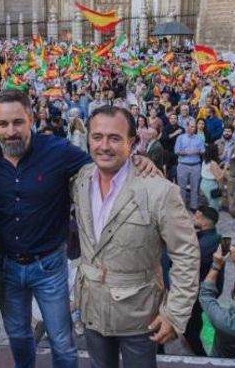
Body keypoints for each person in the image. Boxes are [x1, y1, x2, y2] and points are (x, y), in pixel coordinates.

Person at [0, 90, 157, 368]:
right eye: (3, 124)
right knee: (17, 334)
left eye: (18, 122)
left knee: (62, 342)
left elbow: (104, 163)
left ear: (32, 119)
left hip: (49, 267)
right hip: (7, 268)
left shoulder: (58, 151)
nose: (11, 131)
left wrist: (135, 160)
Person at [71, 106, 199, 368]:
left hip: (140, 316)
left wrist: (174, 314)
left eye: (115, 138)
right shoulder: (80, 179)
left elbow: (186, 254)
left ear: (132, 142)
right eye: (97, 137)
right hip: (92, 307)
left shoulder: (160, 191)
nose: (104, 146)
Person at [181, 206, 223, 356]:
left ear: (204, 223)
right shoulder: (218, 237)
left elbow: (180, 264)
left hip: (199, 291)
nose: (194, 219)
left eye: (197, 217)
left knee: (189, 328)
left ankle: (201, 357)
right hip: (211, 286)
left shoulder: (202, 246)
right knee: (195, 317)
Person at [216, 126, 235, 218]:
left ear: (232, 132)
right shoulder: (217, 142)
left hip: (231, 170)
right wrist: (221, 157)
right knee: (220, 189)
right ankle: (220, 205)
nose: (227, 133)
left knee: (231, 191)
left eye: (229, 131)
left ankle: (232, 208)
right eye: (225, 131)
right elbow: (214, 156)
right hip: (220, 169)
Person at [174, 121, 205, 210]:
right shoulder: (180, 138)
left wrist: (197, 151)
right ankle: (182, 206)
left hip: (195, 165)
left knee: (195, 188)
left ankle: (193, 206)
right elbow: (176, 151)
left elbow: (203, 150)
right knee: (182, 188)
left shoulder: (199, 138)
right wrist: (187, 152)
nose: (193, 128)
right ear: (187, 127)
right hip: (183, 165)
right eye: (191, 127)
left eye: (194, 127)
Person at [199, 143, 226, 210]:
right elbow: (219, 178)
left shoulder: (205, 160)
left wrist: (218, 166)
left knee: (210, 202)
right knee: (214, 206)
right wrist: (225, 169)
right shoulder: (213, 163)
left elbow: (210, 171)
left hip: (203, 183)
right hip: (211, 185)